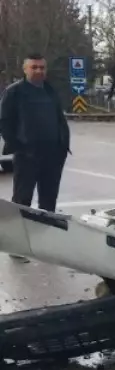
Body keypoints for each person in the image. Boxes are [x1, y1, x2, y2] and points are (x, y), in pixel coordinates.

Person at [0, 54, 72, 251]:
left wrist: (63, 145)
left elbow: (59, 118)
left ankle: (45, 244)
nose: (39, 71)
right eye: (34, 67)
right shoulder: (14, 92)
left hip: (53, 155)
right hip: (27, 155)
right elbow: (4, 122)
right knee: (22, 201)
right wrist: (18, 146)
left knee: (49, 201)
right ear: (25, 69)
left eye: (42, 67)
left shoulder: (50, 91)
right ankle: (16, 246)